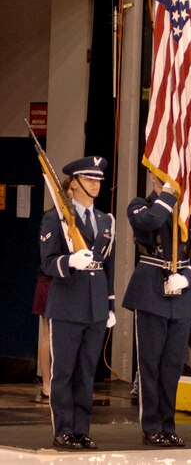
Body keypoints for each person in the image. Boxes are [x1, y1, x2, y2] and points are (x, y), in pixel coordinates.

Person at [123, 172, 191, 447]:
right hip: (150, 291)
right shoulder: (140, 204)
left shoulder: (188, 213)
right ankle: (151, 426)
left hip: (180, 293)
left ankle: (168, 425)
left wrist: (189, 276)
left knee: (172, 366)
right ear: (152, 177)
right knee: (150, 364)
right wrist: (168, 196)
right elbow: (150, 222)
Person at [40, 156, 115, 451]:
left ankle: (82, 430)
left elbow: (107, 266)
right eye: (89, 179)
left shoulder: (105, 220)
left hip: (96, 307)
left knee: (86, 373)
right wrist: (69, 261)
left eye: (98, 179)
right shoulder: (55, 218)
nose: (96, 183)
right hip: (67, 306)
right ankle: (63, 430)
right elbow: (46, 262)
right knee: (64, 372)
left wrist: (109, 305)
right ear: (75, 182)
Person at [32, 270, 53, 400]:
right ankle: (46, 385)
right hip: (50, 283)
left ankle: (49, 385)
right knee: (48, 333)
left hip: (67, 284)